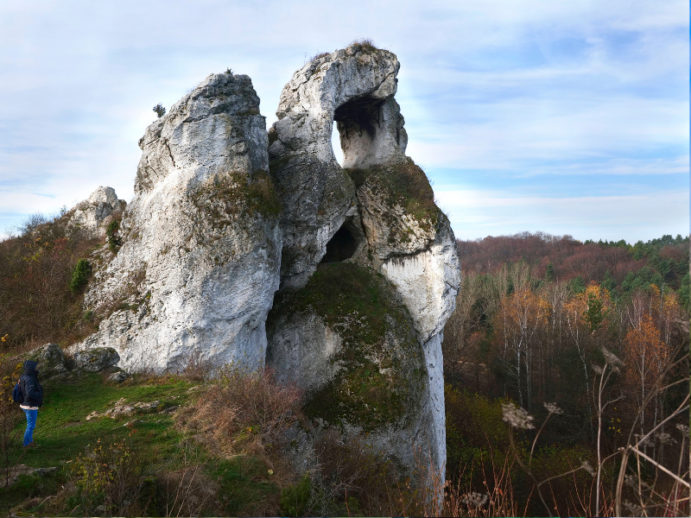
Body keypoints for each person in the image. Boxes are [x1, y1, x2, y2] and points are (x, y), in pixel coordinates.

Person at [19, 361, 43, 448]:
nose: (36, 368)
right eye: (35, 367)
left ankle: (30, 441)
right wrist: (39, 394)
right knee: (31, 425)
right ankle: (26, 444)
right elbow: (30, 393)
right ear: (31, 368)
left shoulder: (23, 376)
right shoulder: (29, 379)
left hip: (25, 403)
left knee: (31, 424)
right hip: (30, 405)